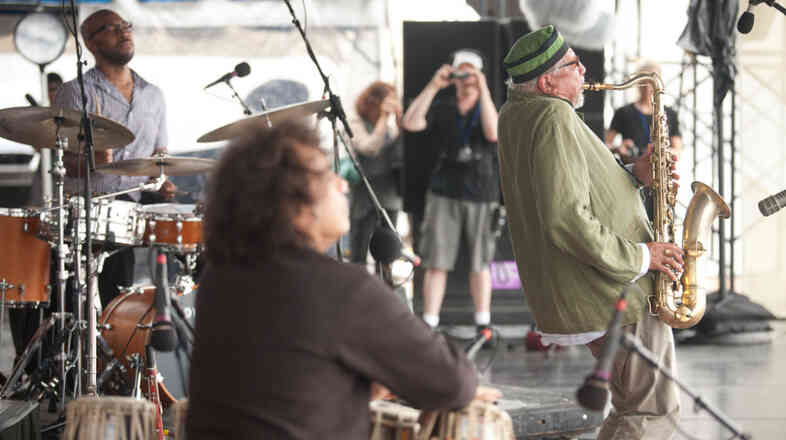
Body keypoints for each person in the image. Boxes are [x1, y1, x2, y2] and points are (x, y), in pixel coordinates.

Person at [186, 120, 499, 439]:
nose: (343, 184)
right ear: (293, 204)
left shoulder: (220, 278)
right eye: (326, 175)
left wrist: (352, 387)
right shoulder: (343, 290)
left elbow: (279, 387)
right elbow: (452, 382)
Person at [497, 26, 682, 439]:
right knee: (654, 410)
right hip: (611, 288)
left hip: (588, 287)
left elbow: (572, 191)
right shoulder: (553, 115)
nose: (584, 69)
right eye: (572, 64)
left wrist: (634, 175)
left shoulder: (518, 112)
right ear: (546, 82)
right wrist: (642, 257)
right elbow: (566, 218)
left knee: (631, 405)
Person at [53, 9, 175, 307]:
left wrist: (162, 179)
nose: (124, 33)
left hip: (132, 211)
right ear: (91, 44)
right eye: (112, 28)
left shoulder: (153, 95)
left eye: (126, 26)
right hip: (89, 211)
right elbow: (62, 163)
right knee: (90, 300)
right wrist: (91, 161)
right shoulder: (74, 93)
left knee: (132, 293)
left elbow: (159, 154)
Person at [401, 49, 499, 333]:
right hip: (444, 190)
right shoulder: (443, 106)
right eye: (462, 71)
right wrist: (434, 85)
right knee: (436, 261)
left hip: (481, 191)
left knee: (480, 262)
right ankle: (430, 322)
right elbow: (410, 123)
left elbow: (493, 133)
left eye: (471, 72)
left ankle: (483, 322)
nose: (465, 78)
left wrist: (483, 89)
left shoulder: (487, 106)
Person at [347, 81, 403, 265]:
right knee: (359, 251)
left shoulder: (390, 126)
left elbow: (398, 150)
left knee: (388, 252)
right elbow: (369, 148)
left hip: (388, 194)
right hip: (364, 196)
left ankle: (385, 289)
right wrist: (382, 119)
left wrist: (399, 120)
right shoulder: (355, 123)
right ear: (373, 101)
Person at [605, 61, 682, 164]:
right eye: (643, 82)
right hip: (630, 172)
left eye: (651, 83)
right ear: (637, 82)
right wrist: (618, 148)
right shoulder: (623, 112)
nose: (647, 87)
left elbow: (678, 150)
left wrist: (664, 153)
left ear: (659, 84)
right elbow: (606, 145)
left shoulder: (671, 114)